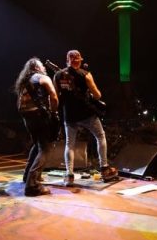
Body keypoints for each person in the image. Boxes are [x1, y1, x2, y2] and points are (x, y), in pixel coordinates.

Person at [53, 49, 118, 186]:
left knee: (69, 144)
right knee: (100, 136)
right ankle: (104, 168)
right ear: (80, 60)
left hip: (69, 114)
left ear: (67, 60)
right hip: (86, 113)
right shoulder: (86, 74)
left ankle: (69, 175)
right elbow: (98, 95)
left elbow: (55, 97)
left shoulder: (58, 75)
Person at [14, 57, 59, 197]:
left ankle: (27, 176)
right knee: (45, 148)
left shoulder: (24, 82)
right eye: (41, 66)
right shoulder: (42, 77)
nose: (44, 68)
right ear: (36, 68)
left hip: (26, 117)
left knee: (38, 144)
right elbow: (54, 96)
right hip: (38, 115)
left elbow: (19, 104)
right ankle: (32, 185)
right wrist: (53, 113)